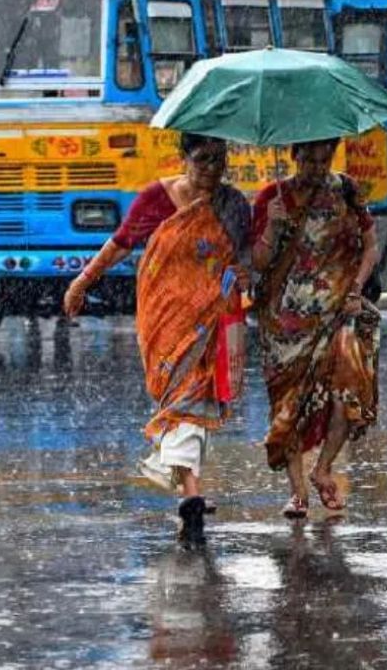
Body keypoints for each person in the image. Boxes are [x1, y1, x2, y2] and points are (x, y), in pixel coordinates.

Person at [63, 133, 251, 547]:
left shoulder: (234, 206)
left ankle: (192, 495)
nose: (211, 170)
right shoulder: (156, 198)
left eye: (219, 160)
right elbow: (120, 245)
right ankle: (192, 491)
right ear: (183, 158)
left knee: (194, 401)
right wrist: (82, 282)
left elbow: (244, 259)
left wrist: (246, 281)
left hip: (211, 319)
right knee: (183, 402)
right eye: (202, 159)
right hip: (164, 319)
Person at [251, 138, 380, 519]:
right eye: (308, 158)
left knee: (349, 392)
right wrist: (273, 228)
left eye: (324, 159)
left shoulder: (348, 190)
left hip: (340, 312)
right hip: (285, 321)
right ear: (293, 155)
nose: (316, 167)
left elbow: (371, 246)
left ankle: (323, 468)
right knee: (289, 406)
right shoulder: (271, 198)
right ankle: (297, 492)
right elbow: (258, 262)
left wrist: (356, 288)